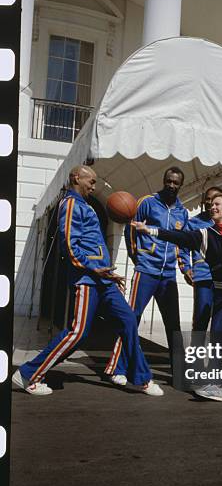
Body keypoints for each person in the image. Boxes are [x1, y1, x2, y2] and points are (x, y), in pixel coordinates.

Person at [12, 165, 163, 396]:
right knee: (78, 333)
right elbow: (69, 246)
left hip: (103, 280)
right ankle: (28, 374)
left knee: (129, 320)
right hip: (87, 279)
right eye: (90, 181)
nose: (93, 186)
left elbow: (93, 245)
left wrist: (109, 274)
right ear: (76, 178)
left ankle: (142, 379)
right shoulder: (70, 204)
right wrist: (95, 269)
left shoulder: (85, 205)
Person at [133, 193, 222, 402]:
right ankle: (216, 384)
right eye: (211, 204)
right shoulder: (205, 234)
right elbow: (179, 237)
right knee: (219, 333)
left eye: (217, 204)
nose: (212, 207)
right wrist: (150, 230)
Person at [105, 167, 190, 380]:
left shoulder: (182, 212)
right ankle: (118, 368)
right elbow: (131, 230)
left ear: (181, 185)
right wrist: (138, 257)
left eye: (175, 182)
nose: (171, 185)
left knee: (174, 324)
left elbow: (182, 243)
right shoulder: (147, 203)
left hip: (168, 275)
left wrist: (184, 267)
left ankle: (179, 371)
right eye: (168, 181)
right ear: (163, 181)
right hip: (146, 271)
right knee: (131, 318)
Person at [181, 186, 222, 333]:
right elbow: (182, 247)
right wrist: (186, 268)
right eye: (207, 199)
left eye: (214, 199)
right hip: (203, 277)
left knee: (221, 324)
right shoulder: (194, 223)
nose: (210, 202)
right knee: (200, 321)